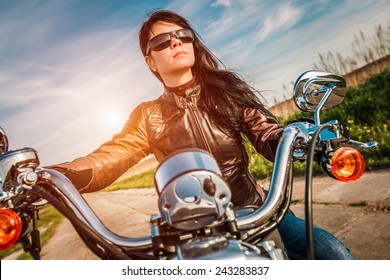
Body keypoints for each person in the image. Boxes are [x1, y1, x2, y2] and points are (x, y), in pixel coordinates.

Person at [49, 10, 353, 260]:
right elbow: (107, 159)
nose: (176, 43)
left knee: (336, 256)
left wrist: (298, 137)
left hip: (257, 211)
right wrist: (50, 176)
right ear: (150, 60)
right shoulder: (148, 116)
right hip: (192, 229)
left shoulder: (227, 90)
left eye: (183, 36)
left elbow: (265, 131)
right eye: (162, 41)